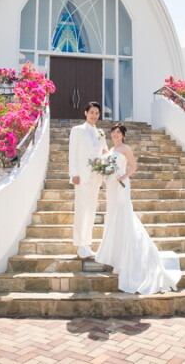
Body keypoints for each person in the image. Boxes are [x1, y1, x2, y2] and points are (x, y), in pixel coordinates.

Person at [95, 123, 181, 294]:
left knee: (123, 216)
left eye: (118, 132)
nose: (115, 135)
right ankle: (117, 255)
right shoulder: (111, 150)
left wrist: (123, 177)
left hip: (121, 185)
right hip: (110, 187)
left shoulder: (125, 148)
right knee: (113, 217)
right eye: (113, 132)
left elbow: (133, 166)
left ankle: (127, 257)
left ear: (123, 135)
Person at [68, 101, 108, 259]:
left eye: (97, 113)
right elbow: (73, 154)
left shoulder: (101, 133)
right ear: (86, 113)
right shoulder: (77, 130)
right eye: (92, 112)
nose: (94, 116)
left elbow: (105, 151)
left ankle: (87, 244)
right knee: (81, 211)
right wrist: (74, 174)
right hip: (82, 177)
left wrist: (106, 161)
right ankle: (80, 245)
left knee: (91, 211)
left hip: (95, 177)